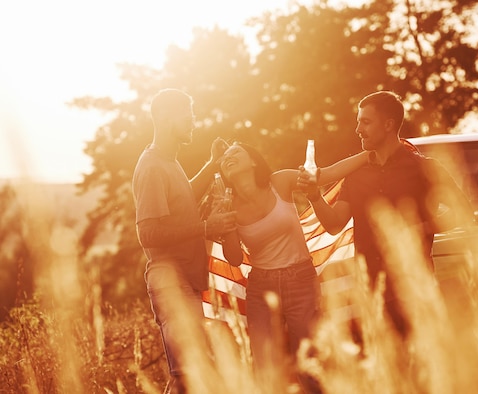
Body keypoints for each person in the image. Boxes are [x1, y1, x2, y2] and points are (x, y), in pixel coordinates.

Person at [297, 90, 474, 339]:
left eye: (365, 122)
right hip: (370, 291)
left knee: (421, 370)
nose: (358, 129)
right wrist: (314, 196)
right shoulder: (356, 175)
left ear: (389, 124)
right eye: (358, 122)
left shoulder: (424, 167)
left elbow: (463, 212)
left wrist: (419, 228)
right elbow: (334, 223)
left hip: (415, 287)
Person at [218, 141, 368, 393]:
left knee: (309, 358)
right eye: (224, 158)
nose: (228, 157)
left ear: (253, 161)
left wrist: (369, 154)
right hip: (261, 288)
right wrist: (225, 227)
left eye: (235, 152)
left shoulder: (280, 182)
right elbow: (233, 258)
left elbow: (326, 174)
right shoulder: (228, 205)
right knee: (266, 366)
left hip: (300, 280)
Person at [132, 88, 236, 394]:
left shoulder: (167, 162)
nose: (194, 121)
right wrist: (206, 227)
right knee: (187, 375)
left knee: (190, 374)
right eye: (187, 114)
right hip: (170, 280)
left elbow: (181, 199)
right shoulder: (152, 166)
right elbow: (147, 233)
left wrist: (213, 163)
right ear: (165, 117)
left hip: (184, 280)